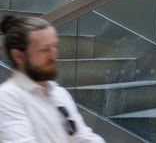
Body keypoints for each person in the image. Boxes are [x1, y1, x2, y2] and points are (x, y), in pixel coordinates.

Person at [0, 14, 106, 142]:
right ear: (18, 56)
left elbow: (82, 136)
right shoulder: (7, 97)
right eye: (45, 49)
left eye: (54, 46)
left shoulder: (59, 93)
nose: (54, 55)